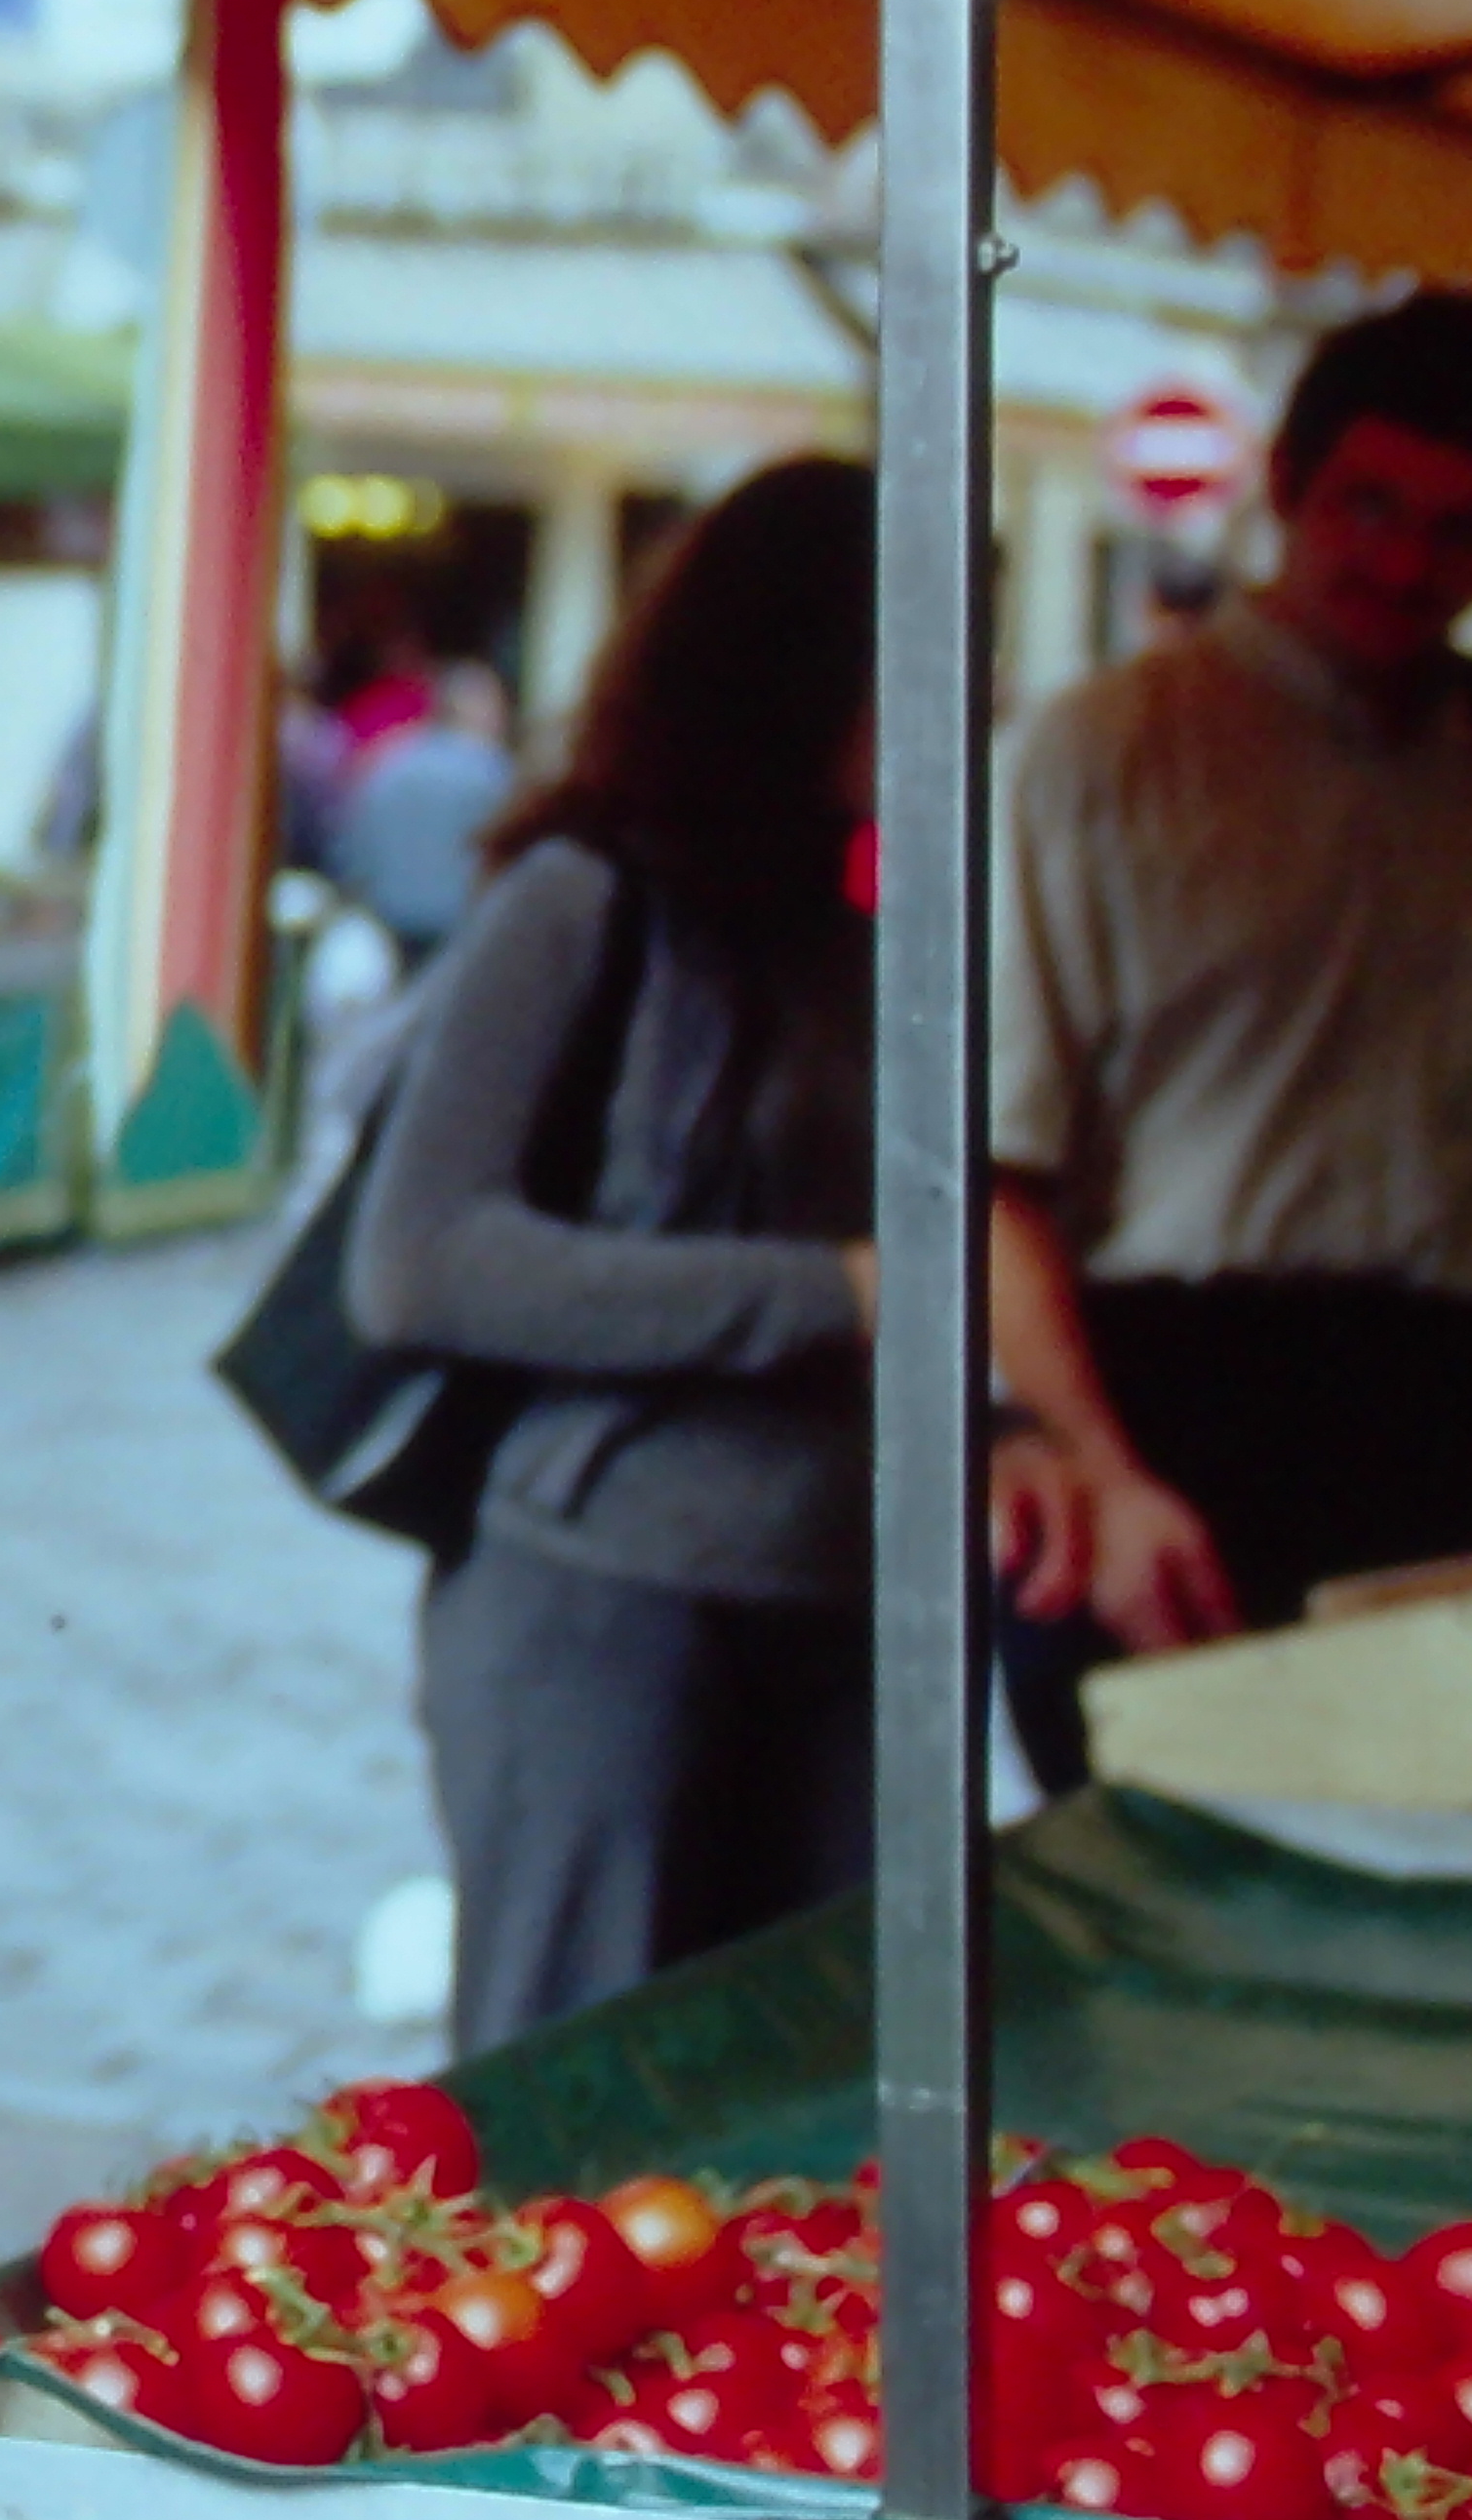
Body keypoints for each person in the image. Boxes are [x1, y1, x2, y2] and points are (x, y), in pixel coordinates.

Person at [342, 464, 1077, 2049]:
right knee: (581, 2108)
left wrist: (998, 1427)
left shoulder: (869, 917)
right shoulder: (581, 896)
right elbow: (420, 1259)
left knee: (810, 2107)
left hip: (854, 1609)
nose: (976, 693)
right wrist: (831, 1296)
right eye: (935, 646)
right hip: (599, 1612)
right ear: (799, 659)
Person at [983, 291, 1472, 1785]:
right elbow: (992, 1182)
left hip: (1468, 1410)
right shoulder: (1098, 751)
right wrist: (1102, 1475)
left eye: (1463, 529)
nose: (1407, 564)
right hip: (1188, 1410)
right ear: (1288, 484)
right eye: (1371, 506)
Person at [330, 656, 518, 972]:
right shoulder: (492, 772)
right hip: (458, 927)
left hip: (391, 924)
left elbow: (353, 850)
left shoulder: (387, 763)